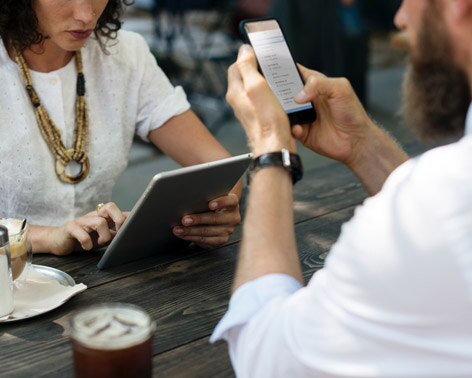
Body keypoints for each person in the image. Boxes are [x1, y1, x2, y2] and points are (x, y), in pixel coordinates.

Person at [211, 0, 472, 376]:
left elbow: (267, 357)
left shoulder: (445, 202)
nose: (399, 18)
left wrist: (271, 150)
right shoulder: (440, 202)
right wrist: (362, 145)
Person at [0, 0, 242, 256]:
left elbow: (223, 169)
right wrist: (46, 238)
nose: (85, 15)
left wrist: (217, 213)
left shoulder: (123, 53)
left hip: (96, 271)